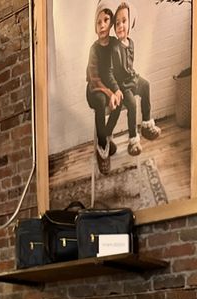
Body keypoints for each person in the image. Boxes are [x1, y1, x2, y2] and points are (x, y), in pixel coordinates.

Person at [103, 1, 161, 157]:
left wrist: (135, 78)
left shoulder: (131, 43)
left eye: (124, 21)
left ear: (130, 22)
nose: (121, 26)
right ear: (113, 27)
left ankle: (147, 124)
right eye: (117, 23)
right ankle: (133, 139)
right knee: (132, 104)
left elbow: (129, 66)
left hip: (132, 78)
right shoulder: (113, 45)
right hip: (122, 85)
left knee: (146, 85)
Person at [86, 1, 120, 174]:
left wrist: (117, 91)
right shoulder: (94, 49)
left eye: (106, 20)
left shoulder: (115, 44)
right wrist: (109, 93)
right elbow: (95, 78)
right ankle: (102, 148)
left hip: (109, 86)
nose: (102, 25)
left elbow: (117, 71)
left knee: (121, 99)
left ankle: (105, 135)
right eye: (98, 22)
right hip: (94, 89)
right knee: (100, 101)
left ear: (111, 23)